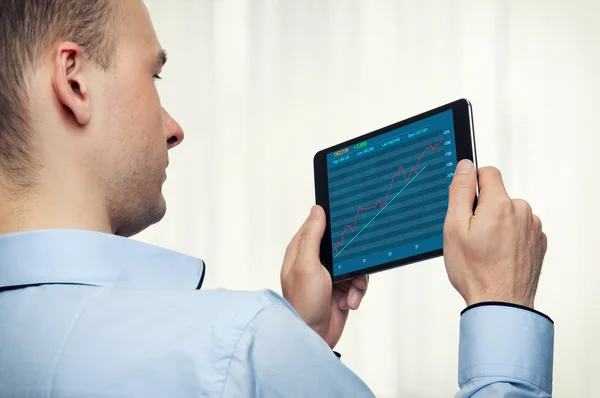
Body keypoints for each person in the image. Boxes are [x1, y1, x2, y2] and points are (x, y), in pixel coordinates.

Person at [0, 0, 553, 397]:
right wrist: (499, 302)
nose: (173, 128)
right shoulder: (238, 347)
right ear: (74, 82)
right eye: (155, 76)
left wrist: (303, 350)